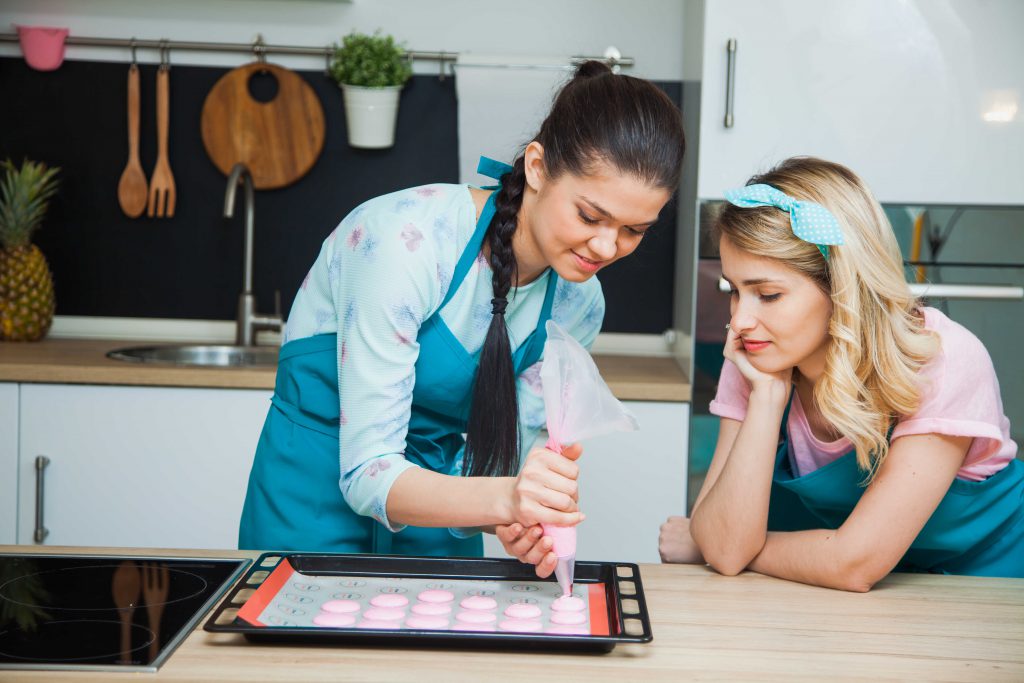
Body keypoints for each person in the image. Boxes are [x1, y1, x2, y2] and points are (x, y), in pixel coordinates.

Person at [239, 61, 685, 577]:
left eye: (634, 230)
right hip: (308, 508)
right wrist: (505, 500)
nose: (607, 247)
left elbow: (501, 468)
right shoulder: (405, 244)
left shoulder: (577, 305)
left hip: (439, 523)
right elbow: (367, 473)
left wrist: (520, 521)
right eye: (589, 216)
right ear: (537, 167)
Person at [659, 157, 1024, 589]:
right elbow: (725, 548)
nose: (740, 321)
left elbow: (853, 563)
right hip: (848, 596)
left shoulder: (942, 358)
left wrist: (733, 547)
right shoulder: (755, 354)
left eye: (768, 294)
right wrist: (766, 399)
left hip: (986, 587)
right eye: (735, 291)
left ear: (843, 287)